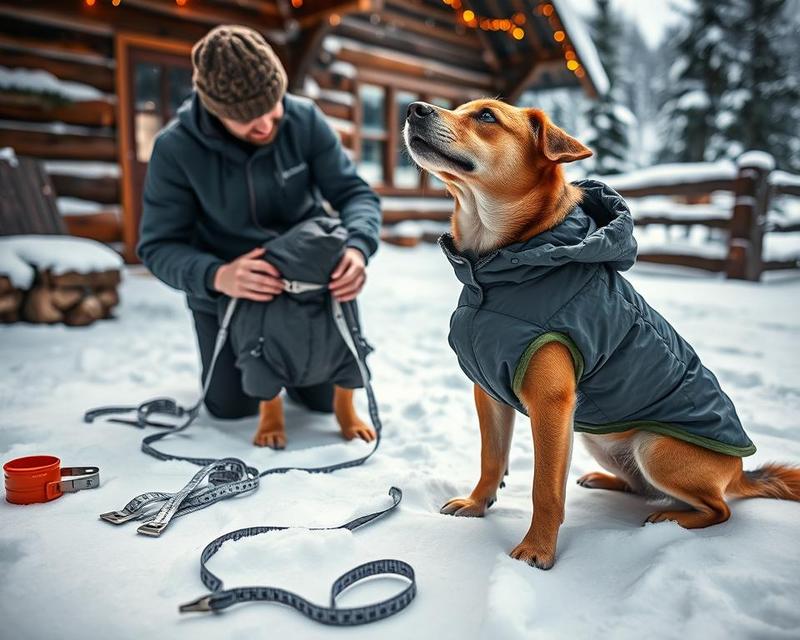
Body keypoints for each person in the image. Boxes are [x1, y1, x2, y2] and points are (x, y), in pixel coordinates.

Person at [137, 24, 382, 420]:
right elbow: (157, 246)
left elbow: (355, 194)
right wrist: (217, 275)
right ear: (215, 110)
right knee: (231, 408)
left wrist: (357, 247)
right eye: (247, 118)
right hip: (229, 297)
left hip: (308, 289)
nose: (266, 124)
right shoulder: (174, 148)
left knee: (323, 402)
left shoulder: (305, 119)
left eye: (272, 106)